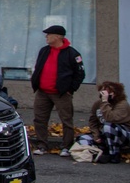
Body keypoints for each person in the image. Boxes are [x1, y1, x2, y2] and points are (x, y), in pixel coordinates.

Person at [30, 25, 86, 156]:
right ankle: (42, 144)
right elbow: (38, 67)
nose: (46, 37)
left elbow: (80, 74)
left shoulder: (72, 53)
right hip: (43, 92)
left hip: (61, 93)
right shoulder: (44, 50)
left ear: (58, 37)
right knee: (39, 119)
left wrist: (71, 89)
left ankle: (66, 146)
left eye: (49, 34)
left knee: (66, 119)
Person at [88, 81, 130, 164]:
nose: (105, 95)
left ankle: (114, 154)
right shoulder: (98, 104)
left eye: (108, 93)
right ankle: (101, 151)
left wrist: (104, 102)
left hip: (123, 135)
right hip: (104, 134)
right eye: (103, 92)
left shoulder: (123, 104)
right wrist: (96, 135)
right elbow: (93, 122)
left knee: (108, 126)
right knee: (82, 138)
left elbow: (110, 118)